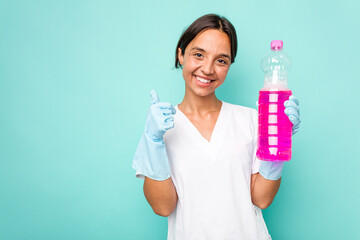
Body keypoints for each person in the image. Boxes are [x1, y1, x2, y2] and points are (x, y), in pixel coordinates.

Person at [132, 14, 301, 240]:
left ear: (229, 66)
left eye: (221, 60)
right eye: (198, 54)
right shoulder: (160, 127)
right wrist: (153, 142)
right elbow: (163, 207)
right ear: (180, 54)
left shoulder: (251, 120)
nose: (208, 69)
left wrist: (278, 143)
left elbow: (262, 199)